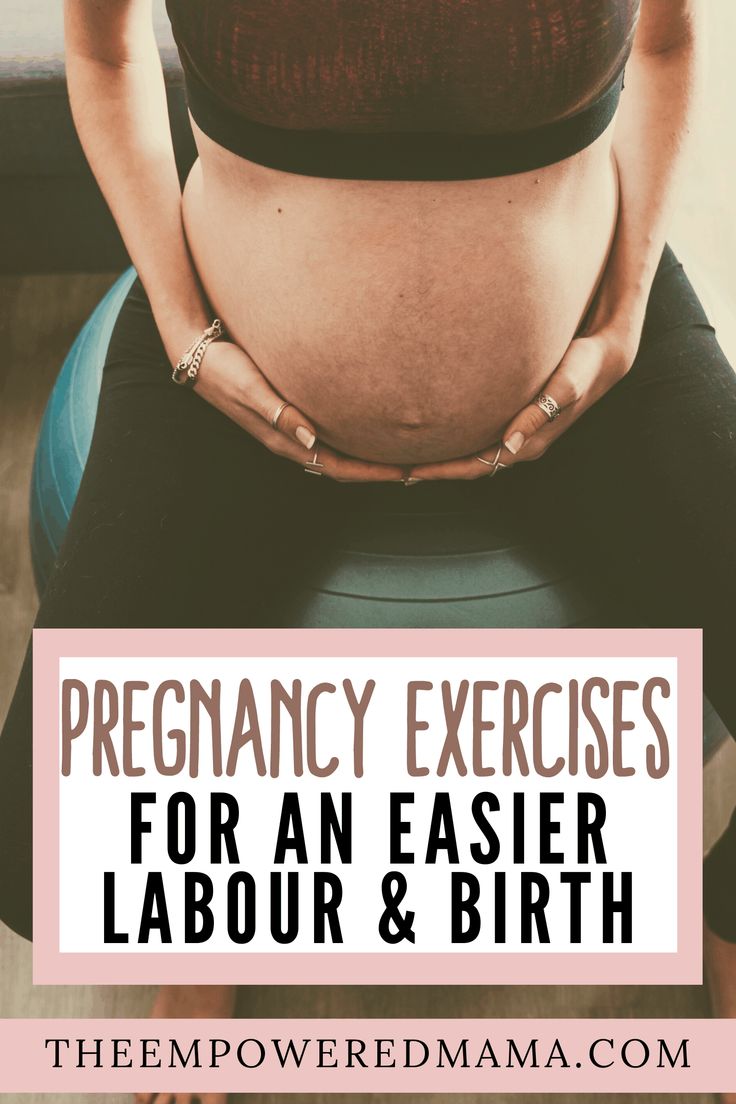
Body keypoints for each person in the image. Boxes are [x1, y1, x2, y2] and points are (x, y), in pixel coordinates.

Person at [1, 1, 734, 1102]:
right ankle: (207, 943)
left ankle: (726, 917)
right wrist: (186, 332)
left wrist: (623, 317)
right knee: (37, 845)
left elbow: (670, 42)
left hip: (594, 364)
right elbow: (104, 52)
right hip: (232, 371)